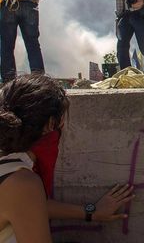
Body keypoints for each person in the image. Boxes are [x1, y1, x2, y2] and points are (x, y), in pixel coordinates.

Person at [0, 74, 133, 243]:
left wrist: (91, 211)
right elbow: (25, 201)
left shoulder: (11, 173)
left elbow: (30, 207)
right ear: (50, 124)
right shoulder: (21, 182)